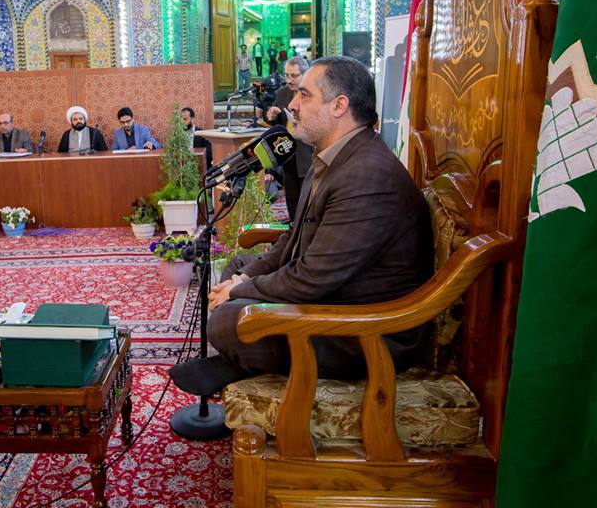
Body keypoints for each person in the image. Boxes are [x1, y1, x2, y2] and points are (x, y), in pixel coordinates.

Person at [169, 57, 434, 396]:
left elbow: (312, 279)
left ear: (339, 106)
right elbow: (293, 238)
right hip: (336, 296)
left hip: (365, 329)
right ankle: (241, 362)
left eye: (304, 95)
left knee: (226, 320)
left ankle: (237, 364)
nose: (292, 104)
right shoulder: (334, 157)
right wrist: (245, 279)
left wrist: (236, 292)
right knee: (238, 267)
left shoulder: (367, 176)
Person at [264, 56, 314, 221]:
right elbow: (277, 123)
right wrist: (273, 116)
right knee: (292, 198)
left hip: (308, 154)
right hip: (288, 154)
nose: (289, 80)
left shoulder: (314, 94)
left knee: (308, 202)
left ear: (305, 74)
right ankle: (293, 227)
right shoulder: (282, 93)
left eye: (293, 75)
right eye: (286, 75)